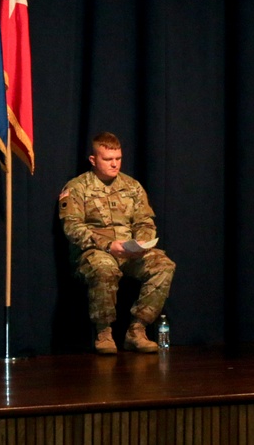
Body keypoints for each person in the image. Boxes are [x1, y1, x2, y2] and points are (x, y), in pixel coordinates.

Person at [58, 132, 176, 354]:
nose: (114, 164)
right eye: (107, 159)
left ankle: (137, 330)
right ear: (93, 160)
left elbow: (145, 220)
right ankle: (104, 333)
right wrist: (107, 245)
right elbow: (72, 227)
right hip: (94, 252)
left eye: (118, 158)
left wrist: (142, 242)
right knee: (104, 267)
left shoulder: (132, 186)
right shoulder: (77, 188)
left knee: (163, 265)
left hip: (129, 251)